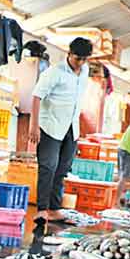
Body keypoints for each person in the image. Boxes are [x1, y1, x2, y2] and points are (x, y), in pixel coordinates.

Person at [29, 37, 92, 223]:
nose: (80, 63)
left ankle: (55, 209)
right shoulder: (53, 73)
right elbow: (36, 96)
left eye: (83, 59)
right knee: (48, 167)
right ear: (69, 54)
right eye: (77, 58)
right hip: (51, 126)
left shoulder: (85, 71)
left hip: (72, 127)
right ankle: (42, 209)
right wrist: (34, 126)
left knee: (63, 169)